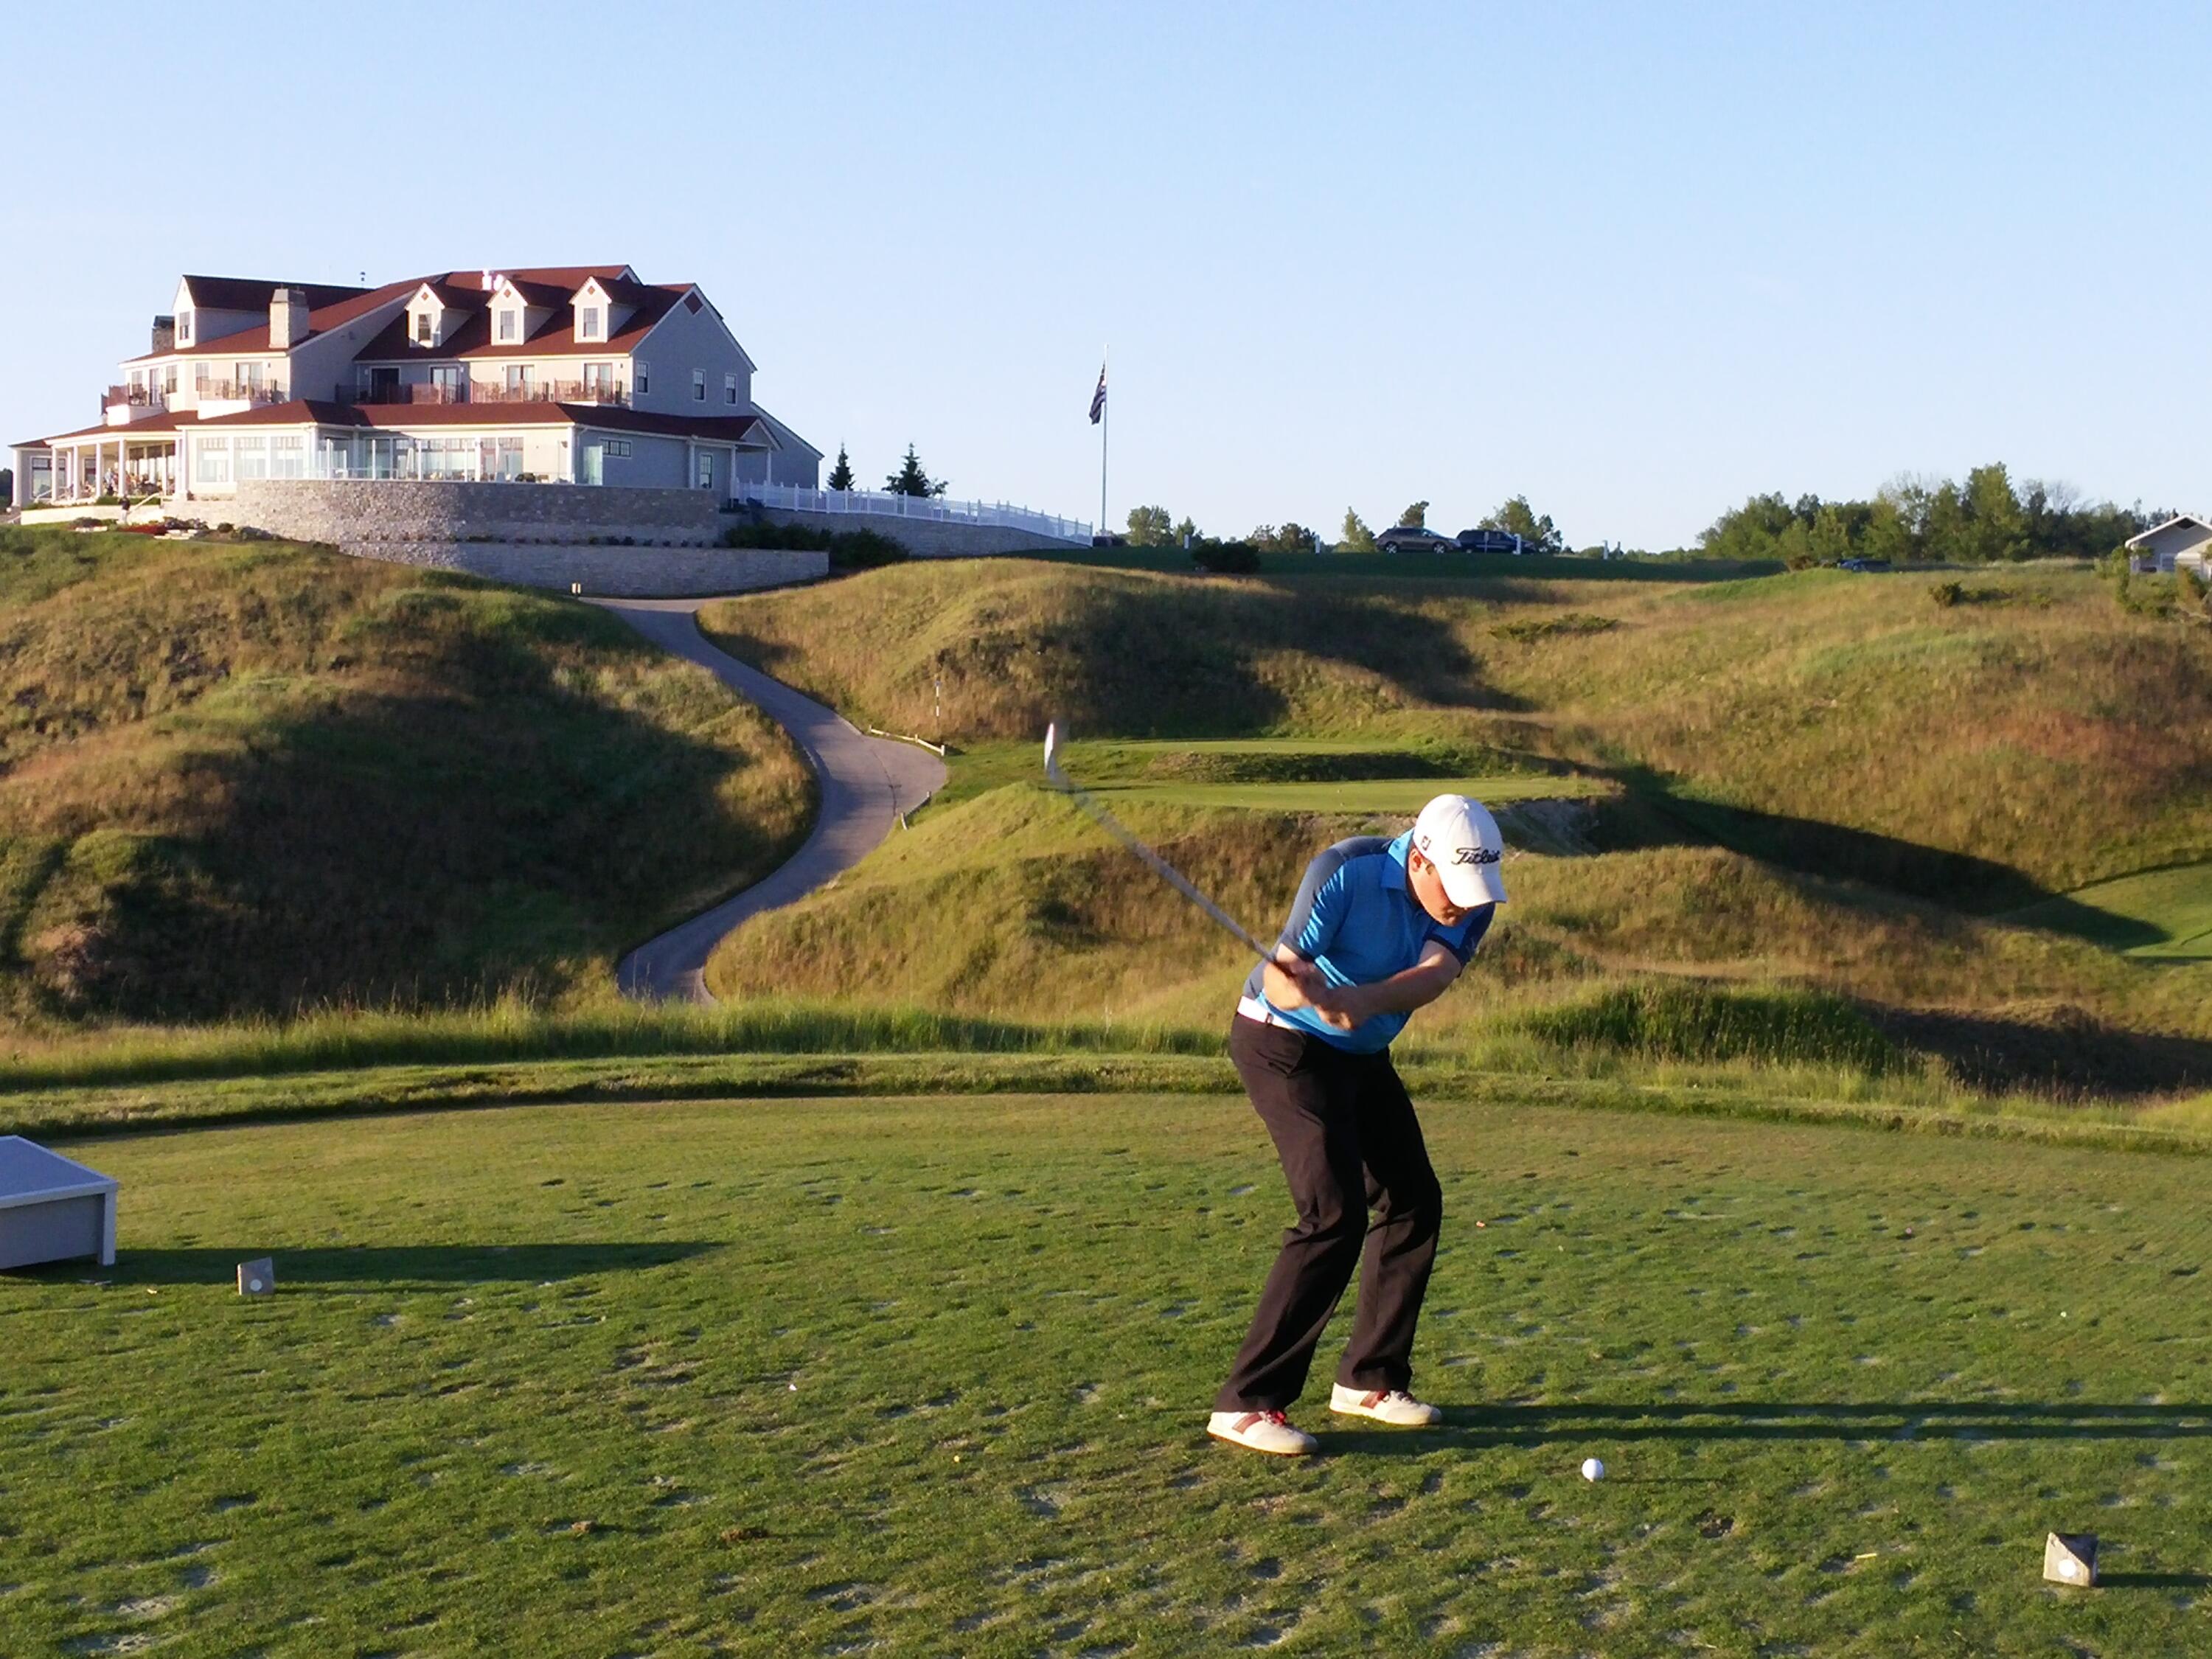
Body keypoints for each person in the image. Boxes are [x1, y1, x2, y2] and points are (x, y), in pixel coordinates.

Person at [1207, 793, 1507, 1455]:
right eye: (1453, 888)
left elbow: (1433, 974)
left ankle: (1368, 1380)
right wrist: (1304, 988)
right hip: (1282, 1042)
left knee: (1413, 1198)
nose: (1463, 903)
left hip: (1360, 1052)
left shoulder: (1475, 898)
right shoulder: (1344, 870)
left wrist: (1361, 1004)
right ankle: (1246, 1403)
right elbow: (1278, 980)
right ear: (1420, 859)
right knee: (1333, 1211)